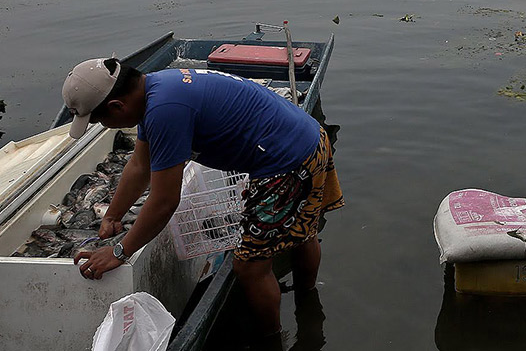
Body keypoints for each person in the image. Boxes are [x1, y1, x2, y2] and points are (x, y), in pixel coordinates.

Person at [62, 58, 344, 345]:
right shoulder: (157, 89)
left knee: (249, 267)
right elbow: (139, 165)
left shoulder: (165, 111)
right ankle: (308, 299)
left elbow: (165, 201)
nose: (105, 126)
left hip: (286, 166)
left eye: (99, 121)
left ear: (116, 107)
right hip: (309, 138)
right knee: (303, 232)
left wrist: (119, 252)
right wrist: (113, 214)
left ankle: (272, 339)